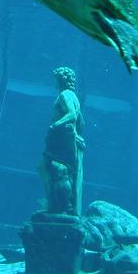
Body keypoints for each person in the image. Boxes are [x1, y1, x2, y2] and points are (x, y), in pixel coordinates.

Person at [39, 66, 85, 216]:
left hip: (61, 139)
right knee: (63, 171)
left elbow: (71, 115)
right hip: (69, 138)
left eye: (56, 80)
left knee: (53, 169)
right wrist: (77, 135)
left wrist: (55, 125)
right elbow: (82, 122)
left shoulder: (64, 95)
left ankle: (59, 207)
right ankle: (65, 206)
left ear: (60, 80)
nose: (55, 83)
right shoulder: (73, 96)